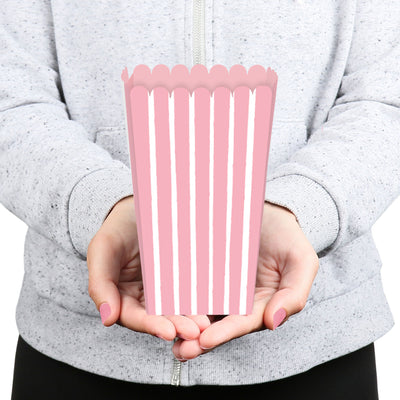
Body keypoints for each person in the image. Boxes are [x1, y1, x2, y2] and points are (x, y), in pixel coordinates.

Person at [1, 1, 399, 399]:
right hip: (75, 349)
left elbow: (385, 98)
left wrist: (300, 207)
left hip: (318, 345)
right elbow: (12, 99)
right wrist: (102, 204)